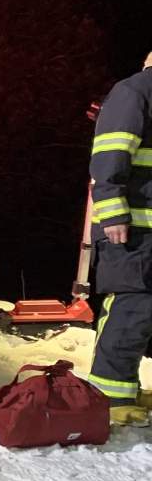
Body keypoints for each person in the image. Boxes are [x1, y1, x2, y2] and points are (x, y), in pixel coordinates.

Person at [86, 51, 152, 426]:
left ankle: (123, 389)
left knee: (144, 311)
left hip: (146, 227)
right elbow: (111, 151)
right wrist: (112, 209)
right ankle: (109, 396)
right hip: (133, 226)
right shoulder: (135, 91)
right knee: (133, 307)